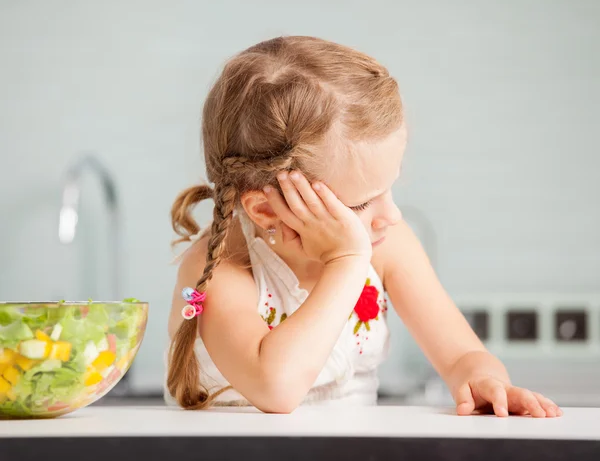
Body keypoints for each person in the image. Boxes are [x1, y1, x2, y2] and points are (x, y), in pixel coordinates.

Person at [164, 35, 561, 417]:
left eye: (390, 189)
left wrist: (483, 379)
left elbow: (460, 354)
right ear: (266, 210)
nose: (392, 215)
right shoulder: (222, 268)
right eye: (363, 202)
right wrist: (347, 261)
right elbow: (275, 388)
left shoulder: (388, 242)